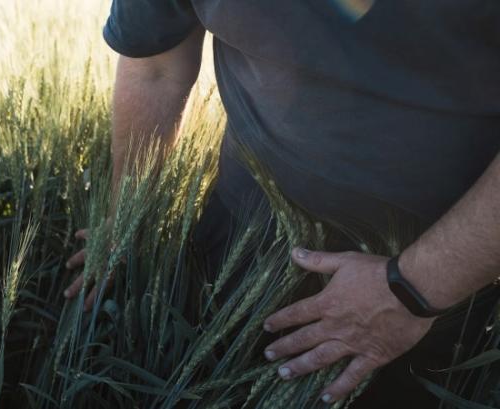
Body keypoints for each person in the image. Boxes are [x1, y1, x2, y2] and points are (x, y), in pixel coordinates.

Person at [63, 0, 500, 406]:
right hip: (234, 250)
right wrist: (129, 216)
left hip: (446, 292)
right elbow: (155, 66)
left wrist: (415, 288)